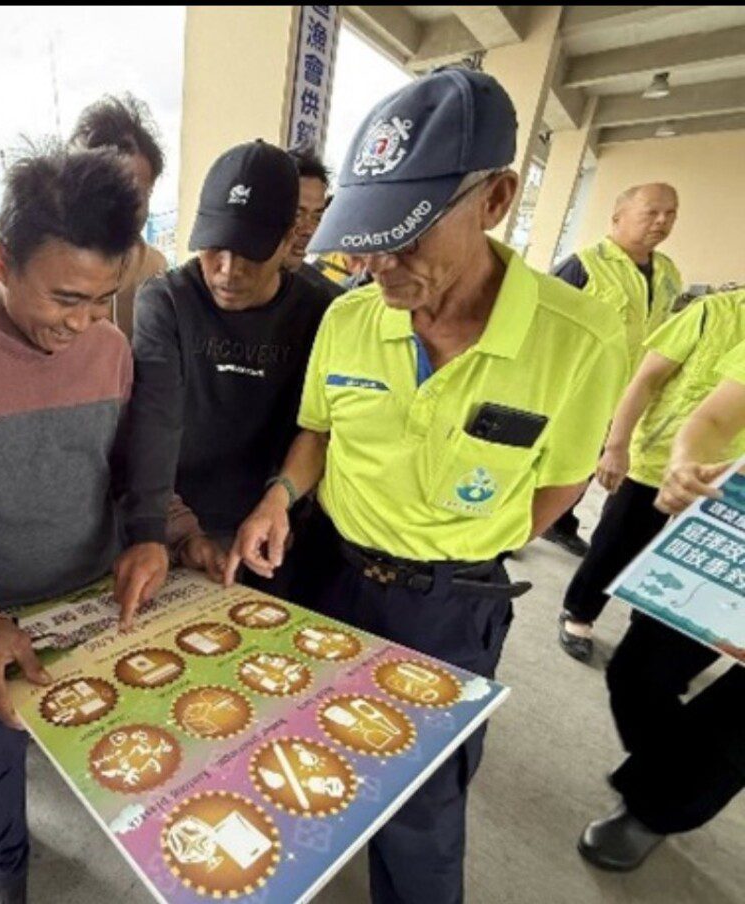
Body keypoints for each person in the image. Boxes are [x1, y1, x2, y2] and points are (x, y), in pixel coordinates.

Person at [227, 68, 627, 904]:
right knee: (310, 753)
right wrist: (279, 497)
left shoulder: (579, 339)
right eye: (366, 236)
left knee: (423, 804)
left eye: (407, 236)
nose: (379, 264)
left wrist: (455, 545)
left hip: (449, 608)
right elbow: (319, 432)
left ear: (495, 200)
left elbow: (557, 488)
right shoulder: (348, 318)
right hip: (331, 578)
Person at [0, 144, 222, 904]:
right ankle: (3, 860)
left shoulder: (109, 349)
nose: (83, 324)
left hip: (103, 600)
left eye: (102, 299)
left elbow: (131, 469)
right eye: (64, 299)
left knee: (145, 737)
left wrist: (181, 533)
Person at [120, 139, 337, 613]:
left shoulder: (321, 312)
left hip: (272, 524)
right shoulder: (167, 300)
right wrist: (155, 531)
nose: (227, 270)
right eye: (214, 248)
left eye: (250, 254)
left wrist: (279, 501)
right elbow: (155, 420)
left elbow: (317, 429)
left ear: (288, 239)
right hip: (176, 518)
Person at [579, 343, 745, 870]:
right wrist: (684, 463)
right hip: (733, 539)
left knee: (738, 721)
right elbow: (716, 417)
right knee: (638, 670)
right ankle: (669, 773)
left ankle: (656, 809)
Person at [558, 290, 745, 661]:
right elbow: (645, 380)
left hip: (724, 478)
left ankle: (641, 631)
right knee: (618, 543)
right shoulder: (711, 312)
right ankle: (579, 613)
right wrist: (616, 445)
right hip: (657, 457)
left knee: (679, 563)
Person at [545, 183, 682, 558]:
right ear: (618, 216)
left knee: (591, 465)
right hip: (575, 390)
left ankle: (559, 521)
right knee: (548, 462)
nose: (662, 221)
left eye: (670, 213)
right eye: (651, 212)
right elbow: (543, 326)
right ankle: (504, 541)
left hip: (627, 394)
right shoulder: (584, 266)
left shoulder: (668, 273)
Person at [68, 93, 168, 339]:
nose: (122, 206)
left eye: (138, 192)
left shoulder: (155, 270)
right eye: (108, 190)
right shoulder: (40, 262)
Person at [283, 146, 341, 297]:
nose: (309, 230)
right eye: (297, 215)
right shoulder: (228, 284)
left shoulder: (327, 299)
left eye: (317, 217)